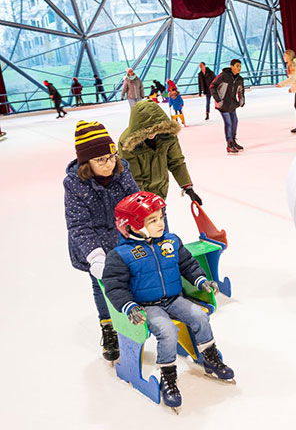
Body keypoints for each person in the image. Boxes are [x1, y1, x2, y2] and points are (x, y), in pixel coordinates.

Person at [103, 191, 235, 410]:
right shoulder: (121, 255)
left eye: (161, 217)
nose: (160, 223)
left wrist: (201, 280)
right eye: (152, 220)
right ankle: (168, 377)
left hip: (174, 299)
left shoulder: (171, 242)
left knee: (199, 316)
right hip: (147, 306)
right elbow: (114, 286)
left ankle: (210, 358)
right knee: (167, 331)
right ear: (131, 226)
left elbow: (188, 265)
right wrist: (129, 307)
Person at [63, 120, 140, 362]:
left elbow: (135, 201)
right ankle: (108, 328)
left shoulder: (121, 170)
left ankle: (133, 319)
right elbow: (78, 224)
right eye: (101, 160)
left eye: (112, 156)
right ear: (87, 163)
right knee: (101, 286)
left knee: (131, 280)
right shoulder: (74, 184)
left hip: (121, 238)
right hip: (93, 244)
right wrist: (96, 256)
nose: (109, 164)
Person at [118, 99, 202, 205]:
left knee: (161, 220)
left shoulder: (167, 137)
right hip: (139, 198)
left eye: (155, 130)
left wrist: (187, 187)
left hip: (160, 192)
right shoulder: (128, 143)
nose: (151, 135)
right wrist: (142, 201)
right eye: (147, 131)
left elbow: (176, 162)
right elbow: (133, 176)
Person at [209, 58, 246, 154]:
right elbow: (212, 86)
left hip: (232, 104)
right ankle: (229, 144)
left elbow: (241, 90)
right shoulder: (223, 76)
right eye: (237, 66)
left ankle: (233, 141)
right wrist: (218, 99)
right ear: (232, 66)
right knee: (228, 122)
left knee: (235, 121)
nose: (239, 68)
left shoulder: (239, 79)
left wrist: (242, 99)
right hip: (223, 104)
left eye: (240, 66)